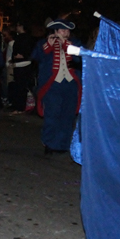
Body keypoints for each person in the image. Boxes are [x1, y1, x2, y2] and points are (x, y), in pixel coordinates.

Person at [31, 19, 81, 154]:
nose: (65, 32)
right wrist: (48, 45)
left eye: (67, 30)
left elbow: (79, 59)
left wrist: (66, 44)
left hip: (70, 84)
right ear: (55, 31)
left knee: (67, 116)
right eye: (62, 30)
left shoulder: (75, 44)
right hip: (52, 85)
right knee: (52, 115)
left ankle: (62, 145)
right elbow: (36, 57)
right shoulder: (44, 43)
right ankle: (49, 142)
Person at [7, 22, 36, 114]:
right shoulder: (25, 38)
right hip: (23, 64)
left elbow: (27, 53)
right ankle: (21, 106)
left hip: (22, 65)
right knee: (20, 86)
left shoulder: (23, 38)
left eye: (18, 25)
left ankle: (20, 107)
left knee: (20, 87)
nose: (17, 27)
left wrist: (21, 56)